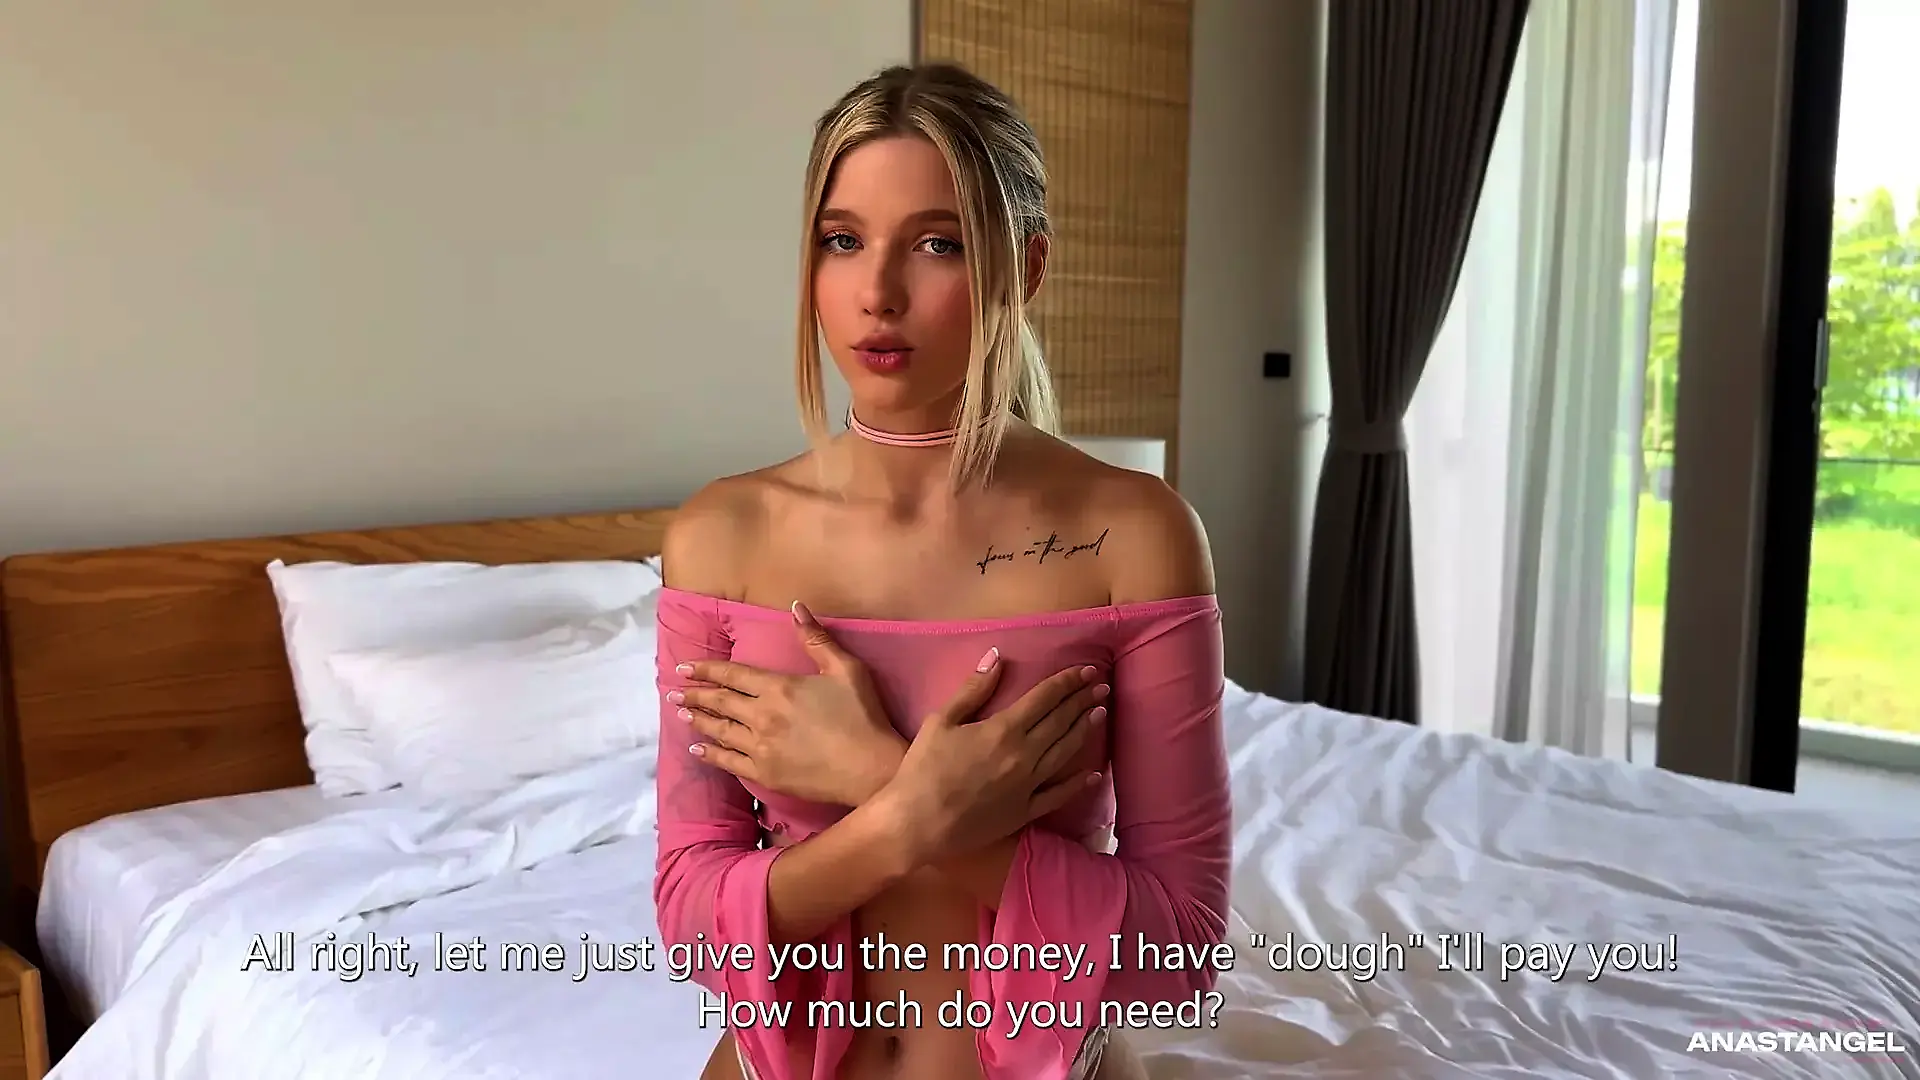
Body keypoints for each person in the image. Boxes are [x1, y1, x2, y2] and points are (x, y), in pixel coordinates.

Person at [651, 62, 1231, 1080]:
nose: (877, 293)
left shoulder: (1134, 534)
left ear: (1026, 268)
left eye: (938, 243)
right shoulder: (721, 537)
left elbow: (1179, 951)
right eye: (842, 241)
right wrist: (899, 821)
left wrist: (869, 775)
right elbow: (692, 922)